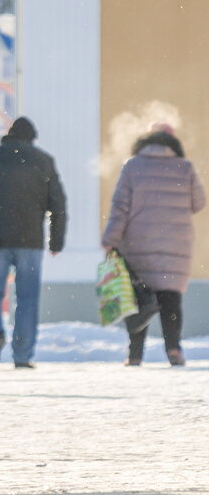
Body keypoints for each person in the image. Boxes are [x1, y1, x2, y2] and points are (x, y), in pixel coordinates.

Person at [0, 116, 67, 369]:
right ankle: (22, 355)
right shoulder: (43, 160)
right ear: (31, 137)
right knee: (27, 298)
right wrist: (56, 241)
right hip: (30, 240)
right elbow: (58, 205)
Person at [101, 123, 204, 366]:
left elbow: (120, 208)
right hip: (175, 246)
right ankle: (174, 350)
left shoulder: (132, 166)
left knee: (139, 300)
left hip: (138, 244)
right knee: (170, 300)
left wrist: (110, 240)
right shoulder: (185, 168)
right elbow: (199, 202)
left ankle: (135, 355)